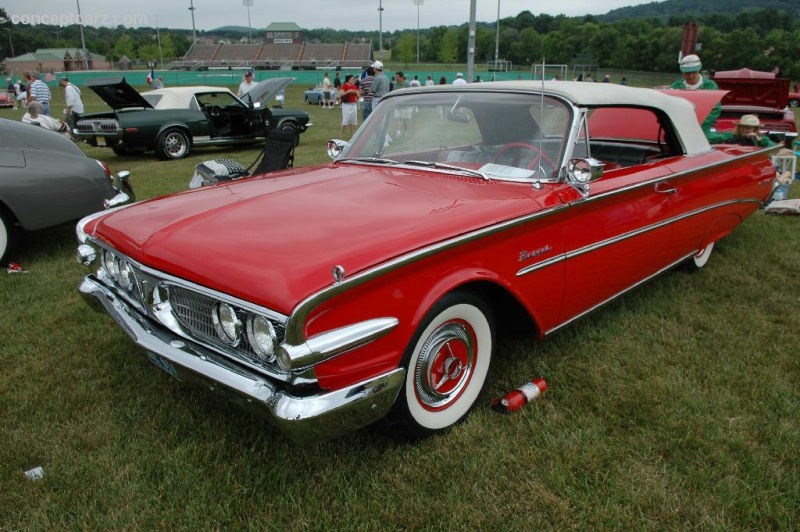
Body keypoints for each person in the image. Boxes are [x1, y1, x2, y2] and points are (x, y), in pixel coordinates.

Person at [670, 54, 720, 134]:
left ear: (699, 70)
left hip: (703, 128)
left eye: (694, 72)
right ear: (682, 72)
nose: (691, 76)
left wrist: (700, 124)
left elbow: (715, 109)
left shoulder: (711, 85)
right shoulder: (675, 86)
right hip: (680, 128)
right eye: (687, 73)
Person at [706, 115, 775, 147]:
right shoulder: (731, 135)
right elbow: (713, 137)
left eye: (748, 128)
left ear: (755, 129)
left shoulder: (760, 138)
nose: (745, 130)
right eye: (743, 127)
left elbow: (774, 148)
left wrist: (760, 140)